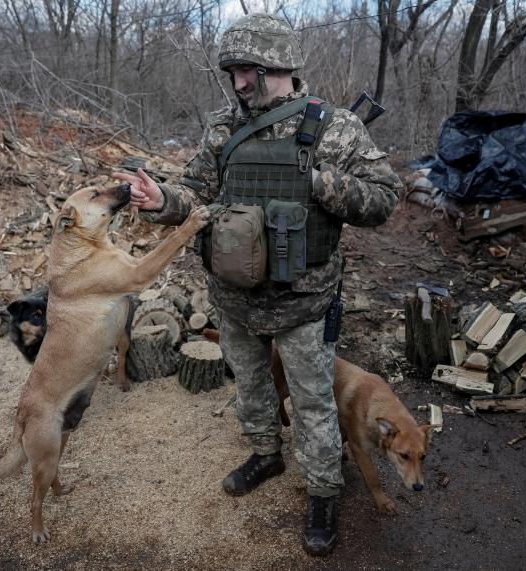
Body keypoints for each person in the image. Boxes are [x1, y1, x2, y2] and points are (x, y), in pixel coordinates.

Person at [114, 12, 402, 557]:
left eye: (252, 70)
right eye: (234, 72)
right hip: (235, 296)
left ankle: (322, 492)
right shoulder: (223, 127)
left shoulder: (334, 127)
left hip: (303, 301)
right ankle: (266, 453)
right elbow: (194, 194)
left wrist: (318, 182)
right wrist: (160, 201)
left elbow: (385, 199)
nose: (240, 83)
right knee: (250, 386)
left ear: (284, 66)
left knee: (315, 404)